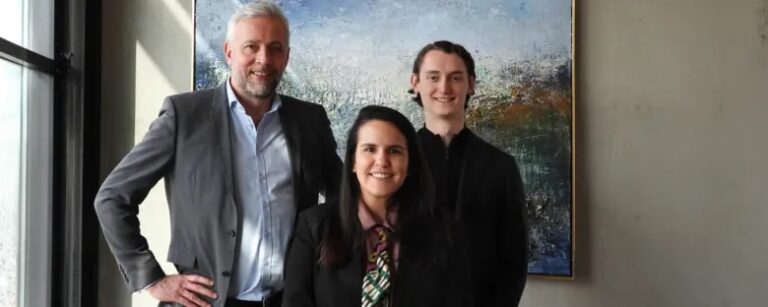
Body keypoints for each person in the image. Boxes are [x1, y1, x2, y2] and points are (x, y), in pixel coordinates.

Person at [94, 2, 342, 306]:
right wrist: (150, 278)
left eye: (275, 48)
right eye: (251, 46)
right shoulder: (183, 116)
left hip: (290, 299)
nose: (264, 59)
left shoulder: (309, 120)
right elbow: (113, 197)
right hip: (206, 302)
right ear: (228, 52)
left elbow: (344, 196)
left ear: (286, 57)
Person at [282, 105, 472, 307]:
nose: (382, 161)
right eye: (370, 149)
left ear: (410, 165)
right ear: (353, 161)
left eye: (395, 151)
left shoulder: (445, 230)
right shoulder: (314, 227)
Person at [408, 40, 528, 306]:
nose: (444, 88)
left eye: (455, 77)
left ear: (471, 84)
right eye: (433, 77)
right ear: (415, 82)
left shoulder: (501, 166)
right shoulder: (396, 162)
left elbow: (514, 261)